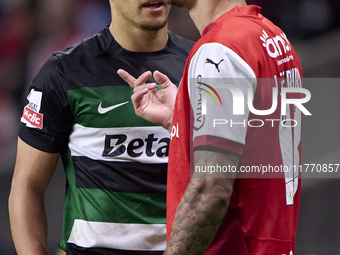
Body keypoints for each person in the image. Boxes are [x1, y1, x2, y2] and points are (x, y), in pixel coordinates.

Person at [8, 0, 194, 254]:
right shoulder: (64, 72)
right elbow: (27, 186)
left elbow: (239, 179)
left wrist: (183, 124)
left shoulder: (202, 68)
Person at [119, 0, 303, 254]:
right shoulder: (272, 36)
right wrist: (183, 119)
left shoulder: (220, 49)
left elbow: (210, 191)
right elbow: (257, 140)